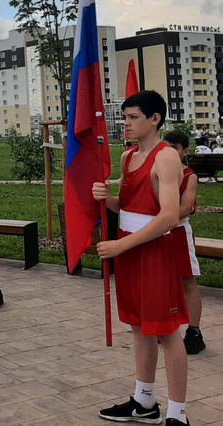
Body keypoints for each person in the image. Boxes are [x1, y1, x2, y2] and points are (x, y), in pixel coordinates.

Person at [94, 91, 189, 425]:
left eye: (133, 117)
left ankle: (178, 413)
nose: (127, 124)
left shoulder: (166, 158)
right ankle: (144, 401)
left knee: (166, 331)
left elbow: (168, 217)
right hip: (131, 248)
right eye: (125, 117)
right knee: (138, 327)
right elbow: (130, 205)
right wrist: (106, 199)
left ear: (155, 119)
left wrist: (121, 246)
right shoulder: (128, 157)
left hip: (153, 251)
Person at [162, 130, 206, 355]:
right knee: (162, 281)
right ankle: (165, 325)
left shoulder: (189, 176)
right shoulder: (157, 171)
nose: (168, 152)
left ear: (184, 152)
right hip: (157, 232)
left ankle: (194, 330)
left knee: (187, 281)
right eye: (165, 147)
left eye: (174, 148)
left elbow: (185, 207)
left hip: (177, 231)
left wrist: (161, 219)